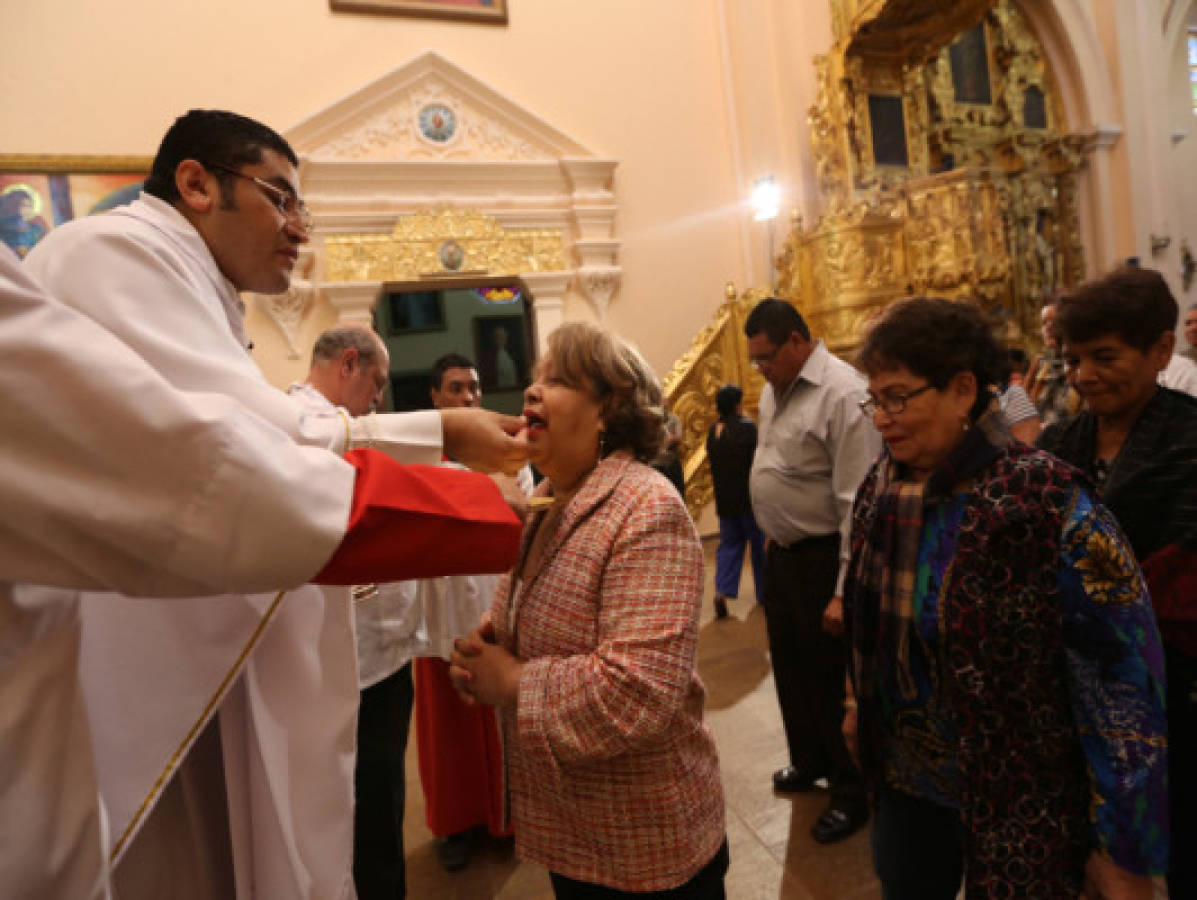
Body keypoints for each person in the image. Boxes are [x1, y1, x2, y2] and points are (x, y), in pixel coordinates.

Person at [23, 109, 527, 900]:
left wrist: (443, 434)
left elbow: (278, 432)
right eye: (279, 198)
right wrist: (482, 504)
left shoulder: (190, 280)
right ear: (196, 183)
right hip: (133, 662)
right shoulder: (115, 255)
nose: (298, 228)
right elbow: (246, 461)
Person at [846, 296, 1167, 899]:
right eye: (875, 399)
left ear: (963, 389)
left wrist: (1125, 844)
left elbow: (1122, 683)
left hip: (1024, 795)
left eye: (898, 397)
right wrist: (858, 705)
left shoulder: (1046, 501)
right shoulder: (881, 488)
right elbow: (872, 629)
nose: (881, 417)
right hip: (908, 783)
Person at [449, 322, 727, 897]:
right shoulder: (550, 496)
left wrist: (514, 681)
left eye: (557, 380)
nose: (531, 391)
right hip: (577, 831)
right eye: (534, 378)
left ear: (609, 408)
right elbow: (519, 608)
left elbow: (637, 691)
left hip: (646, 843)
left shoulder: (646, 507)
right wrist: (488, 643)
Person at [1037, 266, 1196, 899]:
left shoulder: (1189, 437)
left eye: (1105, 357)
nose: (1083, 376)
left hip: (1175, 680)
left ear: (1160, 350)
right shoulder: (1060, 443)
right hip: (1076, 690)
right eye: (1074, 360)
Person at [289, 324, 429, 900]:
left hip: (380, 657)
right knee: (365, 816)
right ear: (349, 363)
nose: (378, 398)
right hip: (352, 667)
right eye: (377, 382)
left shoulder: (347, 429)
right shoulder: (302, 427)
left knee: (379, 808)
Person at [745, 298, 879, 843]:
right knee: (794, 668)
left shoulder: (843, 393)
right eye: (755, 360)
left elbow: (854, 501)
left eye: (768, 357)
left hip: (826, 558)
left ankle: (852, 792)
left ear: (798, 341)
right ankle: (810, 761)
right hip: (784, 555)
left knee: (830, 679)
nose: (761, 369)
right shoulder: (772, 391)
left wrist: (843, 590)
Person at [414, 352, 520, 874]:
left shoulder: (503, 456)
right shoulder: (418, 460)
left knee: (500, 722)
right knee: (450, 736)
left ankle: (504, 819)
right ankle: (454, 825)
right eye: (455, 389)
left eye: (473, 389)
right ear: (435, 398)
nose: (468, 398)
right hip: (440, 616)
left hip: (493, 611)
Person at [705, 383, 765, 618]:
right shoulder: (748, 428)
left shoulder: (714, 430)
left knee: (729, 546)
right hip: (749, 499)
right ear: (737, 404)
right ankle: (764, 593)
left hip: (725, 499)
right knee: (759, 547)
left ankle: (722, 589)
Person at [1024, 298, 1079, 426]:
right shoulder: (1039, 364)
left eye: (1054, 321)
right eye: (1044, 323)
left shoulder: (1080, 364)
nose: (1049, 327)